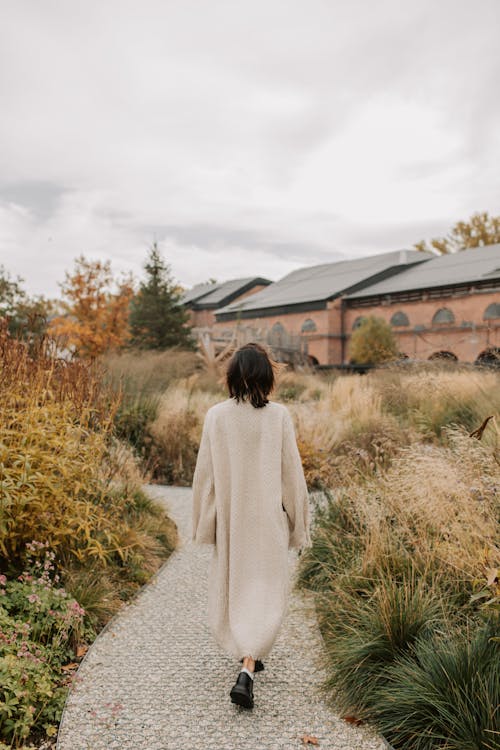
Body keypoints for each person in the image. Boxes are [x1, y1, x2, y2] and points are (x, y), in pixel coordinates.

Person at [191, 342, 312, 710]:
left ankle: (247, 659)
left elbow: (205, 477)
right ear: (267, 376)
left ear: (232, 377)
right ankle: (248, 664)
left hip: (234, 521)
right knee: (265, 587)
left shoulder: (216, 417)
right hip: (268, 520)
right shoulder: (278, 417)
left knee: (237, 584)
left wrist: (206, 524)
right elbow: (293, 476)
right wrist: (298, 524)